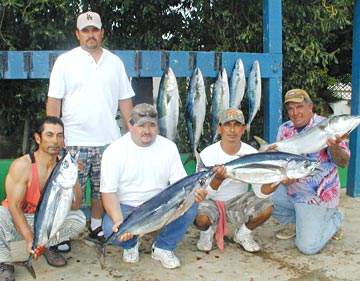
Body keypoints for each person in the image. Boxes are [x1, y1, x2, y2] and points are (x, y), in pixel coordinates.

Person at [46, 11, 135, 245]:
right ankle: (60, 233)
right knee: (70, 194)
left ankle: (96, 227)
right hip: (73, 141)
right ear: (77, 34)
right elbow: (54, 101)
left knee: (102, 189)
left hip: (109, 141)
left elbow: (125, 101)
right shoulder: (65, 62)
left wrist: (133, 129)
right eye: (85, 31)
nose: (91, 34)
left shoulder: (115, 63)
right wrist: (53, 139)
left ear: (102, 32)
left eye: (95, 30)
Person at [100, 103, 207, 269]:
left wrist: (197, 194)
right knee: (110, 229)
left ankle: (163, 247)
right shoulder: (114, 151)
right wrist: (118, 220)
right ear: (130, 125)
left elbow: (182, 184)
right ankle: (130, 245)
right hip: (127, 208)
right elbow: (108, 193)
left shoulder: (169, 147)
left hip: (160, 205)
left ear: (158, 126)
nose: (147, 131)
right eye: (141, 125)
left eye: (152, 125)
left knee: (192, 204)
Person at [0, 116, 86, 280]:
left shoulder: (64, 166)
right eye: (50, 135)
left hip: (48, 221)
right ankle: (4, 262)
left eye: (60, 135)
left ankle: (48, 246)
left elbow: (75, 206)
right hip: (19, 218)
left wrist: (74, 177)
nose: (55, 140)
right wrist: (29, 240)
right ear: (38, 138)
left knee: (78, 218)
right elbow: (14, 207)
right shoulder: (22, 166)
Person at [270, 88, 350, 255]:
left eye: (299, 106)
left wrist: (334, 147)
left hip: (316, 197)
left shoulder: (329, 126)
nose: (295, 112)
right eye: (290, 108)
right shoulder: (285, 128)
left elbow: (343, 163)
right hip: (292, 190)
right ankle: (297, 221)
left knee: (308, 247)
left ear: (310, 106)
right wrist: (283, 175)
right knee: (262, 190)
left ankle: (335, 218)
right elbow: (282, 160)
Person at [194, 108, 276, 253]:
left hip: (238, 201)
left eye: (237, 125)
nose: (232, 130)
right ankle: (206, 232)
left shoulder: (252, 154)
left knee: (267, 206)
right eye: (227, 125)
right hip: (212, 201)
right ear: (219, 128)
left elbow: (260, 192)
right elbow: (202, 193)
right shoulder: (207, 154)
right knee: (200, 220)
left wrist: (279, 179)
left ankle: (242, 234)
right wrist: (217, 180)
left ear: (243, 129)